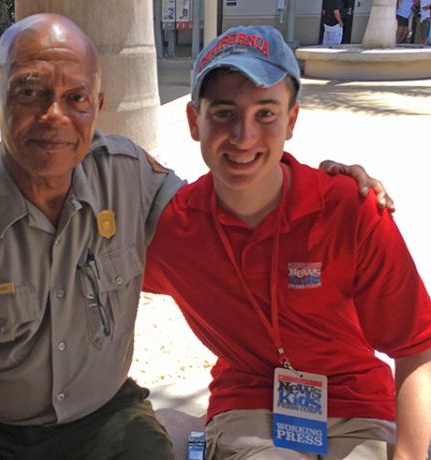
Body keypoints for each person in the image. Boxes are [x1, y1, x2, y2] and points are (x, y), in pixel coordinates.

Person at [0, 14, 393, 460]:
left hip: (102, 421)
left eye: (75, 98)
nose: (55, 115)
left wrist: (329, 186)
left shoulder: (126, 176)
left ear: (96, 106)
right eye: (31, 91)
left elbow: (229, 204)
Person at [144, 25, 431, 459]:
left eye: (265, 113)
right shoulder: (172, 227)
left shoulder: (350, 209)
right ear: (193, 121)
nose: (243, 137)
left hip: (358, 404)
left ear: (291, 120)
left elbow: (417, 347)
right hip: (248, 405)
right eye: (223, 113)